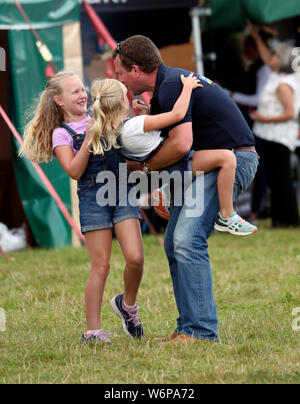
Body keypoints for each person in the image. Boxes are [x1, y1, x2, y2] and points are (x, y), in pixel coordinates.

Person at [113, 36, 260, 343]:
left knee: (187, 239)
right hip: (211, 163)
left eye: (120, 72)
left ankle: (202, 332)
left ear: (136, 70)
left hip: (232, 160)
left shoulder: (170, 87)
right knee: (173, 244)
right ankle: (187, 328)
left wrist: (147, 169)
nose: (119, 79)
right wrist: (166, 187)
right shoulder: (166, 86)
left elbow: (181, 145)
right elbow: (177, 150)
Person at [19, 70, 145, 343]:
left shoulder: (100, 115)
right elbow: (75, 171)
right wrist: (88, 138)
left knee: (135, 257)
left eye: (82, 89)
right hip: (92, 199)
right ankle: (93, 331)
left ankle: (128, 305)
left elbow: (128, 147)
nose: (82, 94)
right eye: (74, 91)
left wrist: (137, 115)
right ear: (59, 101)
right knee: (100, 265)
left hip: (121, 190)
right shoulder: (61, 135)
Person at [248, 22, 300, 228]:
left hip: (278, 136)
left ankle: (289, 220)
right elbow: (267, 58)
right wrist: (257, 36)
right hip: (269, 135)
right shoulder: (278, 75)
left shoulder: (284, 84)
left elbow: (290, 113)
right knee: (274, 179)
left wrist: (263, 118)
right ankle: (279, 219)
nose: (272, 58)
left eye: (276, 55)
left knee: (281, 180)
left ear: (284, 59)